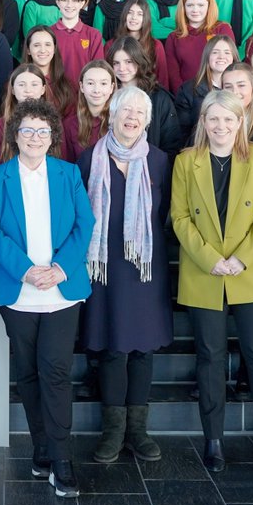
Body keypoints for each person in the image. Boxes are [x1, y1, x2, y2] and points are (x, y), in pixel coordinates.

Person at [0, 98, 94, 498]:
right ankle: (41, 447)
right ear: (15, 135)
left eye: (42, 131)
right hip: (19, 290)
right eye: (26, 130)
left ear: (52, 137)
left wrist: (60, 268)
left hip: (61, 290)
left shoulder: (68, 174)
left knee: (56, 371)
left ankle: (62, 459)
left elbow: (86, 222)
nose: (34, 137)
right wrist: (27, 270)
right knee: (27, 372)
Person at [170, 90, 253, 473]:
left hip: (250, 269)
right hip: (205, 271)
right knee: (210, 357)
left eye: (228, 120)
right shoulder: (187, 162)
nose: (221, 126)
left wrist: (240, 258)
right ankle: (213, 440)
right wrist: (210, 259)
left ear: (241, 123)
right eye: (213, 119)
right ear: (203, 122)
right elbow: (180, 217)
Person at [78, 86, 173, 465]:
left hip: (145, 268)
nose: (132, 117)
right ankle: (112, 432)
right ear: (111, 115)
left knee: (143, 350)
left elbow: (165, 214)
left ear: (147, 121)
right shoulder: (88, 160)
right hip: (105, 268)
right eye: (125, 110)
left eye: (139, 113)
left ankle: (138, 432)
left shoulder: (161, 162)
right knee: (113, 349)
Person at [107, 37, 182, 155]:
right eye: (116, 63)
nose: (121, 68)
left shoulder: (159, 98)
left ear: (139, 61)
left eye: (128, 62)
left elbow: (172, 144)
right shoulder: (106, 95)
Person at [165, 0, 235, 92]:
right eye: (190, 5)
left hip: (220, 95)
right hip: (187, 97)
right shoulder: (174, 37)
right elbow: (173, 74)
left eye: (201, 5)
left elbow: (232, 64)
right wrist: (184, 97)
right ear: (183, 7)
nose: (195, 10)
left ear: (209, 6)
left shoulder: (222, 29)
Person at [173, 36, 239, 144]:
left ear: (234, 57)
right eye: (215, 52)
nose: (221, 57)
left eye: (227, 53)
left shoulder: (245, 88)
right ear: (207, 56)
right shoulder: (187, 90)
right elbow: (182, 133)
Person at [0, 64, 48, 165]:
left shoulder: (53, 123)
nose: (28, 90)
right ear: (12, 90)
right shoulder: (0, 125)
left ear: (43, 89)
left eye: (34, 84)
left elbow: (62, 162)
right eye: (21, 85)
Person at [115, 0, 171, 94]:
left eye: (140, 14)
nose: (134, 18)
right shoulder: (112, 45)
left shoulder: (156, 45)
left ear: (146, 18)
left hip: (150, 96)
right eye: (130, 13)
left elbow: (163, 79)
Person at [63, 60, 115, 162]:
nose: (97, 90)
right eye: (90, 83)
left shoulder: (120, 122)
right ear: (82, 86)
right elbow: (67, 166)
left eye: (103, 83)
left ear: (111, 88)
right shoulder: (69, 125)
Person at [23, 25, 78, 118]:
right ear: (28, 50)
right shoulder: (18, 82)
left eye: (47, 44)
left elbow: (70, 125)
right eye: (36, 45)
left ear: (54, 49)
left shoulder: (66, 87)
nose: (43, 50)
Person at [51, 0, 104, 74]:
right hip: (54, 88)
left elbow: (98, 69)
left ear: (82, 3)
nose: (69, 5)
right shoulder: (49, 34)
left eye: (75, 0)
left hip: (85, 88)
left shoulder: (93, 35)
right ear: (57, 3)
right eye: (64, 0)